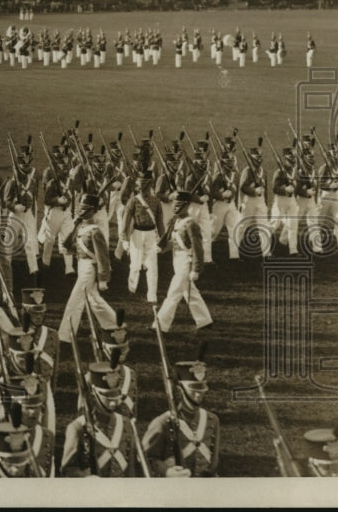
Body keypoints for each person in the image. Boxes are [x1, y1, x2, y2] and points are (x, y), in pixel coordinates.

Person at [142, 348, 220, 477]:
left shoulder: (212, 420)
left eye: (201, 388)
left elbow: (214, 462)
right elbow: (147, 459)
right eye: (193, 389)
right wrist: (167, 471)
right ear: (180, 389)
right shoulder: (162, 423)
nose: (198, 394)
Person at [59, 357, 139, 477]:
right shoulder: (78, 428)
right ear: (93, 393)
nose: (113, 403)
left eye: (114, 396)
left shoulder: (125, 423)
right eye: (107, 396)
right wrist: (85, 477)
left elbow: (131, 469)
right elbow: (66, 470)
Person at [57, 194, 118, 345]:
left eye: (85, 209)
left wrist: (103, 278)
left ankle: (65, 335)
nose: (81, 211)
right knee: (94, 299)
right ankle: (114, 324)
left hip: (90, 267)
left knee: (75, 299)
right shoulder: (81, 226)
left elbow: (103, 256)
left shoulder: (95, 231)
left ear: (92, 211)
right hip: (81, 265)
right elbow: (73, 246)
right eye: (81, 208)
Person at [153, 191, 213, 333]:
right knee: (189, 292)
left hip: (187, 261)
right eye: (174, 203)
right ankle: (205, 321)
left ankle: (160, 325)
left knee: (174, 292)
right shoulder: (176, 221)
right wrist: (161, 248)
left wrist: (196, 269)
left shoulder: (191, 224)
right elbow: (174, 243)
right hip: (177, 259)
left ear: (187, 206)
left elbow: (198, 249)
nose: (175, 207)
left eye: (179, 204)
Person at [121, 171, 163, 304]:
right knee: (135, 264)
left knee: (152, 266)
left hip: (151, 234)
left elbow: (160, 222)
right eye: (141, 186)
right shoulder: (133, 201)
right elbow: (125, 221)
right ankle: (131, 289)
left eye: (146, 186)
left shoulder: (156, 201)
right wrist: (124, 239)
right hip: (137, 234)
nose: (143, 189)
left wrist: (161, 241)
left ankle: (152, 295)